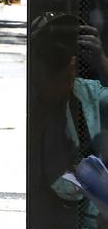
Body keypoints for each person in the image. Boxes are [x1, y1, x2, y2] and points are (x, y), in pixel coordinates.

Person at [30, 12, 108, 228]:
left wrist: (101, 62)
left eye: (68, 47)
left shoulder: (88, 95)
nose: (64, 56)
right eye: (53, 49)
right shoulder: (29, 101)